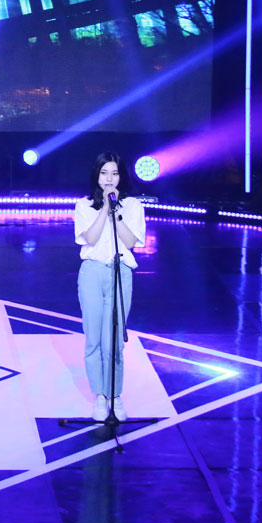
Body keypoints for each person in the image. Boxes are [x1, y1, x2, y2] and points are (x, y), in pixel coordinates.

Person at [73, 151, 146, 422]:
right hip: (92, 272)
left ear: (121, 176)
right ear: (97, 175)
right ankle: (100, 397)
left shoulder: (133, 206)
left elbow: (130, 242)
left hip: (120, 271)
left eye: (114, 173)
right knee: (93, 338)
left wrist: (116, 212)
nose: (109, 179)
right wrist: (104, 208)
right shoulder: (83, 205)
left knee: (113, 341)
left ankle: (115, 395)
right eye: (104, 173)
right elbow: (90, 239)